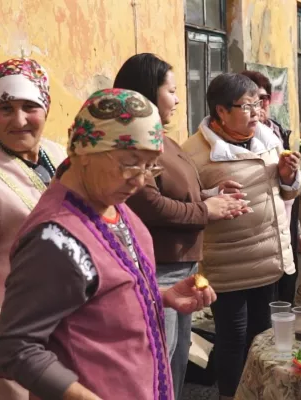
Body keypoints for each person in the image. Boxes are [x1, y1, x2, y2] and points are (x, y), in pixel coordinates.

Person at [0, 89, 216, 400]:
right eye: (130, 163)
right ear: (85, 151)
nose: (139, 181)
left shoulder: (109, 201)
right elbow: (13, 347)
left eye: (150, 166)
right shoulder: (55, 240)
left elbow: (94, 295)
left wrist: (160, 295)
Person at [114, 54, 250, 399]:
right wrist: (206, 209)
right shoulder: (132, 143)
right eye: (171, 91)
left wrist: (209, 193)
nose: (177, 99)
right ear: (147, 92)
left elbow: (177, 191)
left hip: (182, 267)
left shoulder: (165, 138)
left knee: (176, 361)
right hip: (160, 268)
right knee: (160, 366)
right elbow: (148, 204)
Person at [182, 73, 301, 399]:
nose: (256, 113)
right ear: (221, 111)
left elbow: (288, 192)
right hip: (227, 263)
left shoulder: (267, 138)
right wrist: (210, 195)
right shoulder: (194, 152)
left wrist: (290, 176)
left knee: (261, 334)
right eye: (247, 106)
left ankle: (260, 393)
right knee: (232, 337)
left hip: (267, 255)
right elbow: (185, 202)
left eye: (258, 105)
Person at [0, 58, 66, 400]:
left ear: (46, 107)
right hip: (11, 334)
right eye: (5, 108)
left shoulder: (57, 155)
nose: (20, 120)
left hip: (63, 323)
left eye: (30, 107)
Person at [240, 70, 301, 304]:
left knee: (286, 295)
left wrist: (295, 227)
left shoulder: (277, 131)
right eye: (255, 100)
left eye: (265, 98)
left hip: (285, 225)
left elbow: (290, 186)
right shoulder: (236, 140)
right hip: (259, 238)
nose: (262, 105)